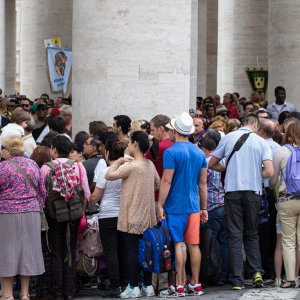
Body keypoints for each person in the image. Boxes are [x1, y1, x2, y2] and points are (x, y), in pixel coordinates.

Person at [209, 113, 274, 290]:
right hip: (253, 192)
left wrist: (228, 169)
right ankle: (256, 273)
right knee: (252, 233)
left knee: (235, 234)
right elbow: (269, 171)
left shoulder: (229, 137)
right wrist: (254, 173)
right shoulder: (262, 142)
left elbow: (212, 163)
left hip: (232, 191)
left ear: (243, 123)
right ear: (256, 126)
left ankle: (237, 279)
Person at [156, 112, 208, 297]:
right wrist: (204, 207)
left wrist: (160, 204)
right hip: (194, 205)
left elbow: (166, 181)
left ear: (176, 131)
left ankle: (178, 285)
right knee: (194, 245)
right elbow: (203, 183)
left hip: (175, 206)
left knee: (178, 244)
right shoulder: (199, 152)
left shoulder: (171, 152)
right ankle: (195, 283)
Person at [105, 131, 160, 299]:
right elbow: (157, 184)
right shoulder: (150, 164)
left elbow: (108, 175)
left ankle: (134, 286)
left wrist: (120, 160)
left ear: (135, 144)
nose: (127, 146)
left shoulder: (131, 165)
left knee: (132, 253)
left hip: (132, 216)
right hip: (148, 216)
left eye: (129, 143)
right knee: (148, 251)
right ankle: (148, 286)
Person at [40, 135, 91, 300]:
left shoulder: (46, 168)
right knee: (71, 250)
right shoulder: (78, 166)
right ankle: (69, 292)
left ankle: (57, 292)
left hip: (54, 216)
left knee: (56, 252)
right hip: (74, 215)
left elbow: (42, 195)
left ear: (54, 150)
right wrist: (80, 211)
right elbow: (86, 193)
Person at [0, 136, 46, 300]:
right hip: (31, 213)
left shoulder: (3, 167)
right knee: (28, 250)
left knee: (7, 251)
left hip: (6, 213)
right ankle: (25, 293)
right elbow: (42, 190)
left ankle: (7, 294)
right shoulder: (32, 165)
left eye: (2, 148)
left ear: (7, 150)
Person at [90, 140, 125, 298]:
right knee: (123, 249)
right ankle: (126, 283)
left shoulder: (106, 171)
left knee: (110, 252)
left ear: (108, 153)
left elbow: (96, 196)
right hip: (124, 214)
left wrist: (89, 202)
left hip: (107, 215)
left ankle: (115, 285)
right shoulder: (127, 170)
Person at [269, 123, 300, 288]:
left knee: (288, 241)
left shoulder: (281, 151)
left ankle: (290, 279)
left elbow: (272, 180)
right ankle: (299, 276)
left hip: (286, 200)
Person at [200, 135, 228, 286]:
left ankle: (212, 275)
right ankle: (223, 275)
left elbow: (202, 184)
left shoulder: (205, 162)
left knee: (210, 243)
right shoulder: (222, 161)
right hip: (223, 205)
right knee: (223, 243)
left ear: (204, 149)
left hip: (210, 207)